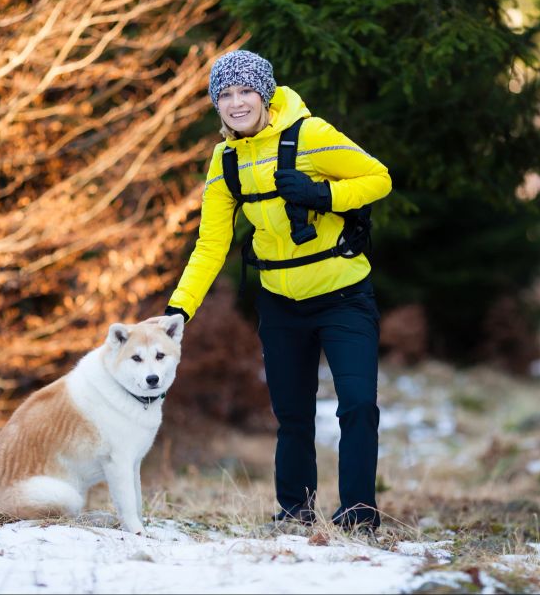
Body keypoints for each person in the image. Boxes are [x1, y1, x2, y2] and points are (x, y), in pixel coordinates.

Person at [165, 50, 391, 533]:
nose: (236, 103)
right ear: (216, 105)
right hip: (280, 303)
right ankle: (295, 510)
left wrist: (322, 195)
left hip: (343, 295)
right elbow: (210, 245)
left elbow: (378, 178)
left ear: (265, 93)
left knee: (356, 405)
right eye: (225, 95)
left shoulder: (311, 136)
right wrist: (178, 311)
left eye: (246, 91)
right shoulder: (224, 160)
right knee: (291, 414)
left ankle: (358, 515)